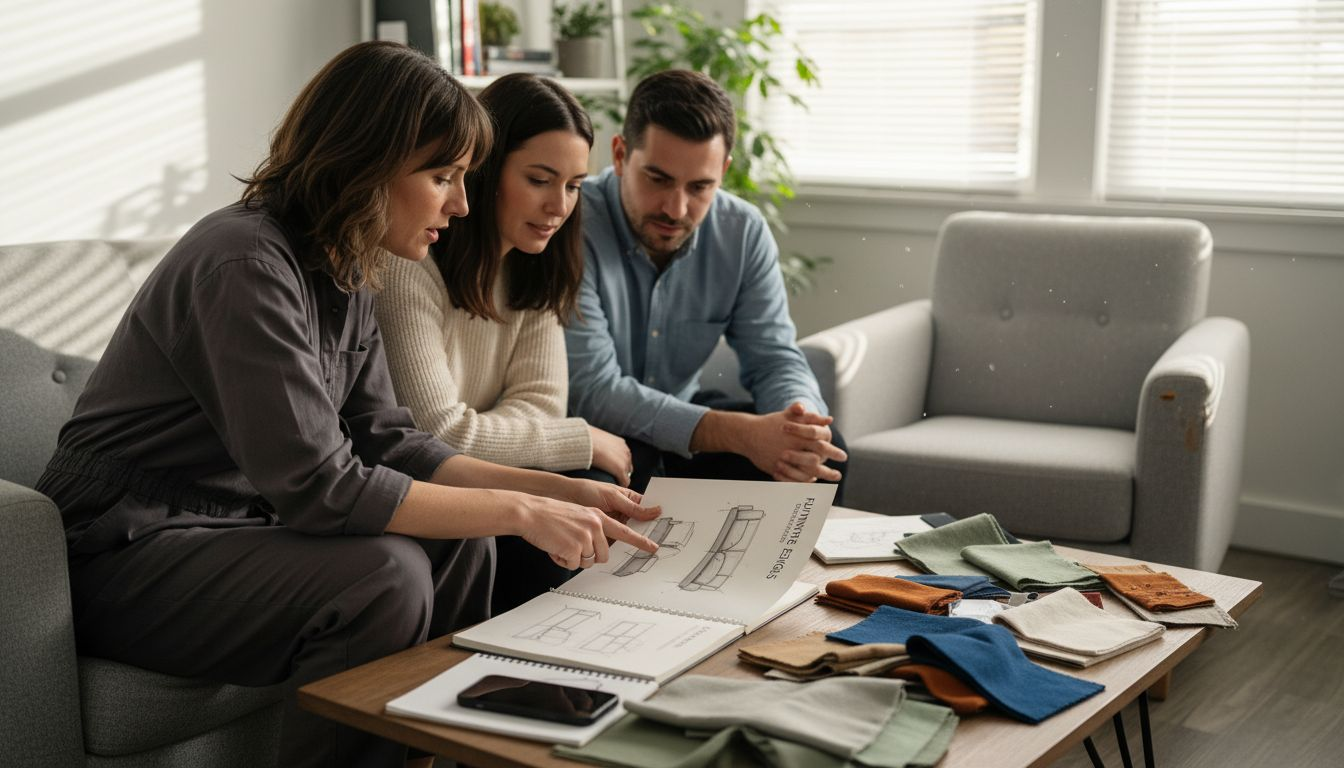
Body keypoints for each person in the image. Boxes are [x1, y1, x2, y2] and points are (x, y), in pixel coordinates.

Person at [35, 42, 657, 768]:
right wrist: (522, 511)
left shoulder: (346, 264)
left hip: (227, 528)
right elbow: (320, 485)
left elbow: (392, 440)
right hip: (121, 548)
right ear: (369, 162)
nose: (461, 204)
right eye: (442, 177)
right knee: (381, 579)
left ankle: (424, 756)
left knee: (466, 543)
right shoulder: (243, 263)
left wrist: (558, 490)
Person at [376, 73, 633, 613]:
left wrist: (500, 431)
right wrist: (579, 436)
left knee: (599, 484)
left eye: (574, 186)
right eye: (539, 180)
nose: (558, 205)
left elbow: (541, 405)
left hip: (477, 475)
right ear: (486, 171)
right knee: (578, 481)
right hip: (423, 488)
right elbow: (436, 433)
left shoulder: (535, 269)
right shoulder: (408, 266)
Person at [564, 69, 848, 499]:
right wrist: (742, 434)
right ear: (620, 155)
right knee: (593, 489)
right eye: (658, 179)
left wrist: (799, 424)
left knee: (819, 457)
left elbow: (773, 358)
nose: (676, 209)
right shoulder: (571, 224)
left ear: (724, 171)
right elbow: (594, 391)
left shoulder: (742, 231)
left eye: (700, 186)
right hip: (592, 436)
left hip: (684, 425)